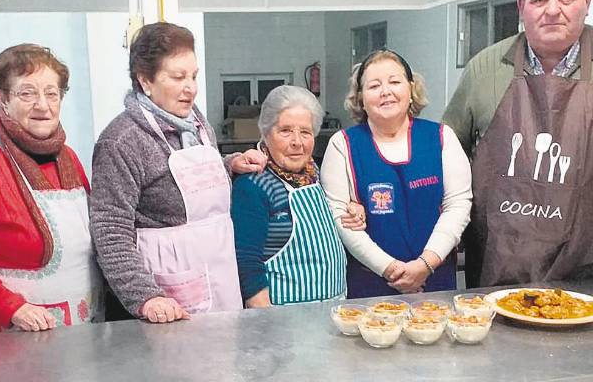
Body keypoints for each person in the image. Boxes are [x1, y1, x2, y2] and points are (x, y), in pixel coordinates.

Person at [90, 22, 267, 324]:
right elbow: (109, 228)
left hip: (219, 275)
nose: (191, 87)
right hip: (167, 294)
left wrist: (229, 164)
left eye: (194, 76)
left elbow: (181, 181)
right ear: (145, 80)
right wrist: (145, 296)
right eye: (178, 77)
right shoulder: (122, 141)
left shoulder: (197, 124)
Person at [443, 0, 593, 287]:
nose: (552, 10)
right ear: (521, 6)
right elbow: (446, 152)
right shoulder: (485, 68)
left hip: (586, 275)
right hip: (497, 266)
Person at [0, 44, 102, 334]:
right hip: (8, 337)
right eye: (27, 93)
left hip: (79, 327)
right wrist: (12, 308)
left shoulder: (70, 159)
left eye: (52, 93)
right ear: (2, 98)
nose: (43, 105)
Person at [321, 49, 472, 298]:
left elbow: (458, 206)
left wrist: (425, 265)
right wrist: (391, 270)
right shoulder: (343, 145)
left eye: (394, 82)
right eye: (374, 86)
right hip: (369, 285)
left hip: (435, 279)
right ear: (360, 97)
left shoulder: (441, 138)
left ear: (411, 88)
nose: (385, 92)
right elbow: (340, 219)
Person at [231, 85, 348, 307]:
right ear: (266, 134)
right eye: (285, 131)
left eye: (305, 132)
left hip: (333, 313)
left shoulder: (317, 174)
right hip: (283, 323)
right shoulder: (253, 185)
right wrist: (266, 322)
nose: (297, 142)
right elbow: (246, 263)